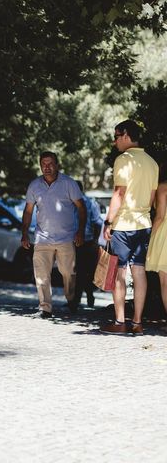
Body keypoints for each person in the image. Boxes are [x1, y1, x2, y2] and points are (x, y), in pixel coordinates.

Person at [100, 120, 158, 336]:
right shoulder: (152, 162)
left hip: (124, 224)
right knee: (140, 271)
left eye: (116, 136)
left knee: (119, 273)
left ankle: (119, 321)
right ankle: (137, 323)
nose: (114, 141)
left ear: (125, 135)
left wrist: (108, 221)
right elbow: (152, 199)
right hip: (144, 224)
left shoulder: (123, 160)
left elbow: (119, 193)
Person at [21, 151, 86, 318]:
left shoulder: (69, 184)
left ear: (57, 165)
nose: (47, 167)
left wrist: (80, 231)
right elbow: (28, 212)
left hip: (66, 238)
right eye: (43, 164)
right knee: (41, 274)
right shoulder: (34, 185)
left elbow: (81, 208)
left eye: (50, 164)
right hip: (42, 238)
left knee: (68, 273)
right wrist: (25, 234)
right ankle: (45, 308)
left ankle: (71, 298)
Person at [72, 181, 103, 308]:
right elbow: (98, 222)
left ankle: (77, 299)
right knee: (84, 271)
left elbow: (98, 222)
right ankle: (85, 296)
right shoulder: (91, 202)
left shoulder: (85, 203)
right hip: (88, 241)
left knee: (80, 271)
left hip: (84, 242)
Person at [144, 158, 167, 330]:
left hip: (164, 235)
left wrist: (151, 237)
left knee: (165, 282)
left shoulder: (162, 187)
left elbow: (159, 216)